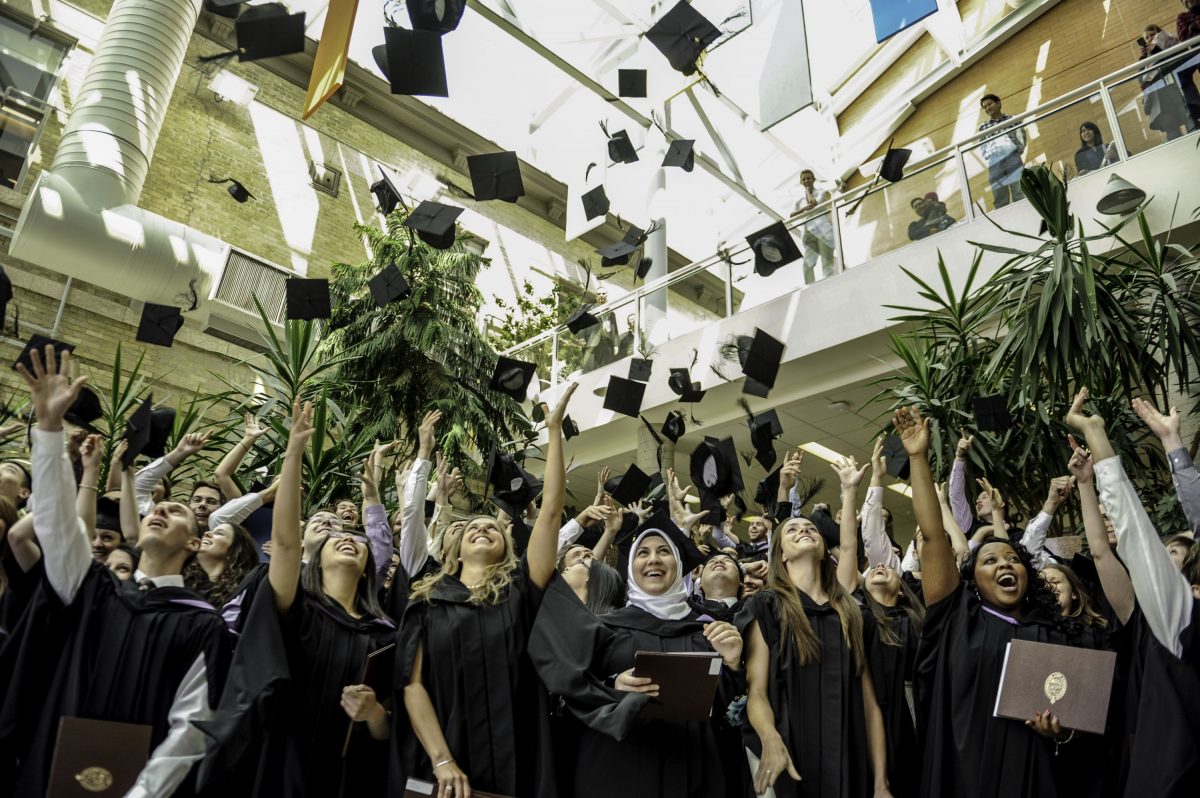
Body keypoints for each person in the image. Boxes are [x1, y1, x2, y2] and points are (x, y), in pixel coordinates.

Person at [0, 344, 230, 797]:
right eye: (157, 506)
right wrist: (47, 429)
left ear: (193, 542)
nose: (162, 507)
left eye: (177, 510)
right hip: (45, 773)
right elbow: (55, 524)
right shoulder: (93, 588)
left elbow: (192, 725)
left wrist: (140, 795)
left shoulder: (201, 625)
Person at [896, 404, 1105, 798]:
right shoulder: (957, 617)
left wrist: (1062, 731)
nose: (1005, 564)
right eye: (990, 560)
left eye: (1013, 559)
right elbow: (933, 535)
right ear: (972, 579)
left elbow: (1079, 720)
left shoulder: (1052, 634)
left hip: (1031, 774)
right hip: (964, 774)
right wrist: (918, 459)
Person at [197, 398, 396, 797]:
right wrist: (294, 452)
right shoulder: (297, 608)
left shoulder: (383, 637)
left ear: (369, 569)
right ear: (315, 559)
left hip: (345, 776)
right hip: (280, 761)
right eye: (335, 537)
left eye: (355, 539)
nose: (346, 538)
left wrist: (374, 714)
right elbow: (286, 543)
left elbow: (390, 728)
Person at [397, 385, 577, 798]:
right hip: (447, 750)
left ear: (508, 547)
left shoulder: (521, 588)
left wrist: (554, 433)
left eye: (493, 527)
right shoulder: (428, 600)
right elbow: (412, 685)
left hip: (521, 749)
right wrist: (442, 761)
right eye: (473, 526)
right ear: (453, 548)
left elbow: (550, 509)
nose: (482, 527)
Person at [530, 513, 746, 798]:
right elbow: (566, 697)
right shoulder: (604, 629)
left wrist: (733, 668)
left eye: (664, 551)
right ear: (631, 567)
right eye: (642, 553)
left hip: (692, 767)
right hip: (616, 769)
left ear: (679, 565)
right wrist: (611, 687)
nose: (653, 560)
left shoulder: (708, 631)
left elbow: (730, 718)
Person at [1066, 390, 1200, 795]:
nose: (1162, 558)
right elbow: (1131, 536)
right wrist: (1095, 437)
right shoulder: (1180, 621)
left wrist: (1173, 443)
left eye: (1174, 551)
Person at [741, 485, 892, 798]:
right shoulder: (766, 606)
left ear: (824, 549)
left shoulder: (853, 613)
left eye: (811, 528)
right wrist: (769, 739)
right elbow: (756, 690)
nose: (804, 529)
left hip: (847, 761)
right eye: (792, 529)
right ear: (780, 553)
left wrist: (880, 784)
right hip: (790, 755)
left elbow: (870, 705)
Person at [1138, 24, 1195, 140]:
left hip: (1179, 90)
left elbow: (1183, 57)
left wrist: (1158, 50)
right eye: (1146, 38)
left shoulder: (1170, 42)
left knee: (1192, 125)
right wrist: (1143, 58)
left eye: (1152, 35)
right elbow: (1141, 80)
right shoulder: (1146, 58)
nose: (1149, 39)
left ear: (1159, 33)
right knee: (1172, 134)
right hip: (1161, 99)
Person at [978, 94, 1026, 208]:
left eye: (989, 104)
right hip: (995, 162)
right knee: (1000, 197)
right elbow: (982, 146)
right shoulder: (983, 127)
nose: (987, 108)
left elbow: (1021, 137)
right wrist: (990, 156)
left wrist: (1015, 152)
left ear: (998, 103)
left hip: (1012, 158)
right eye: (985, 107)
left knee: (1020, 192)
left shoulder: (1012, 119)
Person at [794, 169, 836, 282]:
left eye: (808, 178)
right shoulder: (799, 200)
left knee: (827, 263)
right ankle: (810, 287)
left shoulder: (822, 192)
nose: (806, 180)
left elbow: (813, 203)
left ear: (813, 179)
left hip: (824, 232)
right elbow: (792, 215)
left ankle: (831, 284)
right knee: (807, 265)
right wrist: (804, 208)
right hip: (809, 234)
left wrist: (807, 191)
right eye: (804, 179)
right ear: (800, 182)